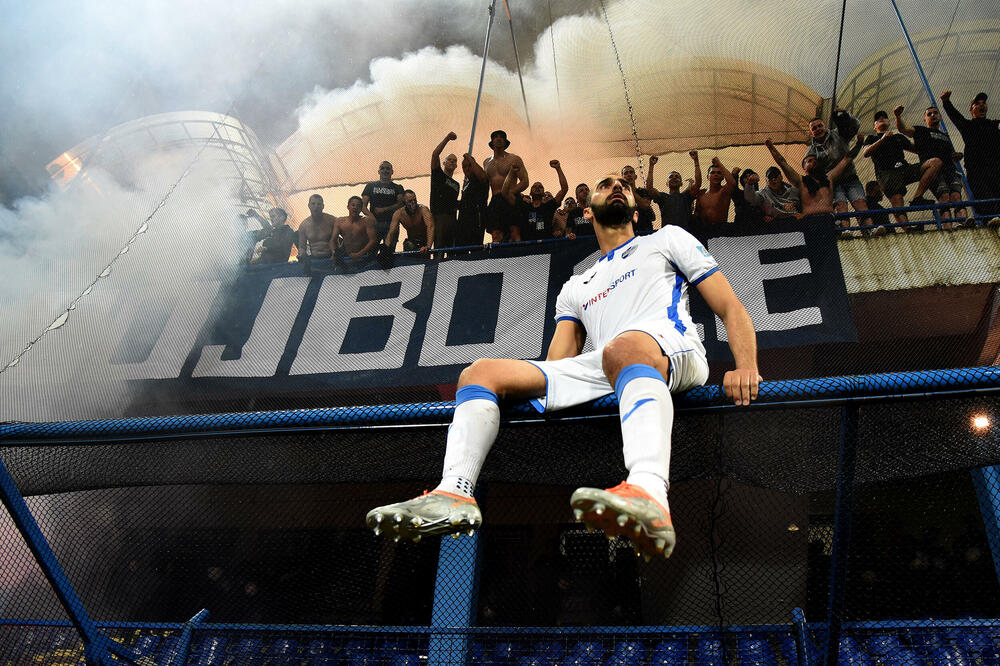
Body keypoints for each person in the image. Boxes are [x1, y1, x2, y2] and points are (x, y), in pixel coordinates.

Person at [366, 172, 761, 560]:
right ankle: (454, 491)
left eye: (623, 185)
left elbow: (730, 306)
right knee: (478, 372)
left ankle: (650, 490)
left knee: (621, 350)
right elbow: (557, 365)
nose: (617, 187)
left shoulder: (667, 239)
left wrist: (746, 364)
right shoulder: (577, 285)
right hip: (610, 363)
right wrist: (533, 389)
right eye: (606, 185)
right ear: (588, 212)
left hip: (673, 347)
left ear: (637, 214)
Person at [862, 110, 942, 230]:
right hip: (887, 173)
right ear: (875, 126)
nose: (882, 119)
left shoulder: (898, 137)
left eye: (885, 118)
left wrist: (935, 145)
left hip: (905, 169)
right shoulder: (871, 138)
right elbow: (866, 152)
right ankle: (908, 228)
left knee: (935, 162)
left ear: (889, 122)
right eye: (878, 119)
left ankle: (917, 198)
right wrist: (882, 139)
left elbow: (917, 149)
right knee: (897, 199)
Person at [894, 104, 966, 229]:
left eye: (935, 113)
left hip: (950, 170)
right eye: (929, 114)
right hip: (935, 171)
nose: (933, 115)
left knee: (956, 196)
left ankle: (964, 223)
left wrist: (955, 156)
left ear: (940, 116)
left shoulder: (946, 136)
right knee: (944, 198)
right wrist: (897, 116)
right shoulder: (921, 131)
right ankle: (949, 229)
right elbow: (903, 129)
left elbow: (948, 155)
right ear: (925, 119)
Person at [806, 110, 871, 235]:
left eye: (820, 126)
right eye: (814, 128)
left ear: (825, 126)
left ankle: (869, 230)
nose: (818, 129)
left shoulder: (838, 134)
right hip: (833, 184)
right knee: (840, 206)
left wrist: (845, 114)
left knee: (860, 203)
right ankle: (845, 231)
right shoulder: (811, 152)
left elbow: (855, 125)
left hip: (850, 178)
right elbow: (809, 170)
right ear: (811, 133)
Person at [765, 136, 864, 216]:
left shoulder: (829, 177)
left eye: (815, 160)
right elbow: (783, 163)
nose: (813, 162)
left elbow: (846, 159)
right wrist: (771, 147)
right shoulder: (800, 181)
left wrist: (859, 143)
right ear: (804, 167)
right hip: (810, 222)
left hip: (828, 220)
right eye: (809, 161)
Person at [939, 90, 1000, 222]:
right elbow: (955, 116)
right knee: (983, 198)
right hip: (977, 170)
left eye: (984, 103)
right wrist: (946, 102)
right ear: (971, 109)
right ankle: (988, 221)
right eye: (977, 103)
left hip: (996, 168)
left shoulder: (994, 124)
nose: (982, 105)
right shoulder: (968, 126)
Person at [484, 130, 529, 242]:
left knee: (514, 230)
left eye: (501, 137)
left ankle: (519, 255)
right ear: (492, 142)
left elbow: (524, 181)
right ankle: (497, 257)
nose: (498, 139)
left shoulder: (514, 159)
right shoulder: (486, 162)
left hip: (510, 197)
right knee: (496, 233)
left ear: (505, 142)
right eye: (496, 137)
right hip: (495, 199)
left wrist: (511, 193)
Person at [646, 152, 701, 229]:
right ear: (667, 183)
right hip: (668, 236)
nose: (674, 178)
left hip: (684, 235)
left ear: (681, 183)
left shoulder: (686, 196)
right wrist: (651, 166)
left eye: (677, 176)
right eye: (671, 177)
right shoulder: (663, 197)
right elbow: (649, 189)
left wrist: (696, 160)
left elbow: (698, 183)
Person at [361, 161, 405, 244]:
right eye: (382, 168)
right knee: (371, 252)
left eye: (388, 168)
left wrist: (384, 209)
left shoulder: (398, 187)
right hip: (374, 224)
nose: (385, 170)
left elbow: (401, 205)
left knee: (389, 253)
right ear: (378, 171)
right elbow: (362, 206)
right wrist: (372, 217)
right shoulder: (370, 186)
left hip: (392, 224)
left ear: (392, 171)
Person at [431, 132, 462, 248]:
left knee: (450, 249)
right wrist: (447, 139)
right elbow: (435, 155)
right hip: (439, 216)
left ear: (456, 166)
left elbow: (454, 202)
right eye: (449, 159)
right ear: (444, 162)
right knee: (438, 247)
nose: (452, 161)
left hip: (452, 219)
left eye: (454, 160)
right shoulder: (438, 174)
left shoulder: (457, 185)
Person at [456, 153, 490, 247]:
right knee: (461, 251)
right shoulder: (467, 184)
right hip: (464, 223)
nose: (467, 168)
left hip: (476, 222)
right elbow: (465, 203)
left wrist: (470, 159)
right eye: (464, 166)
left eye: (470, 165)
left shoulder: (481, 179)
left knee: (475, 250)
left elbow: (483, 177)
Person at [297, 194, 337, 274]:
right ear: (309, 205)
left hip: (332, 258)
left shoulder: (332, 220)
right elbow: (302, 246)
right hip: (315, 260)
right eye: (313, 203)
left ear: (323, 206)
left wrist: (338, 252)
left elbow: (345, 237)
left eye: (319, 204)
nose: (316, 206)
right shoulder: (304, 225)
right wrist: (302, 254)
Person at [332, 196, 377, 263]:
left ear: (361, 208)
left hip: (363, 256)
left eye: (358, 206)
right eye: (353, 205)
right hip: (346, 255)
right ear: (348, 207)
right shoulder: (340, 221)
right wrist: (335, 252)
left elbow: (373, 240)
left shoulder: (367, 221)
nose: (355, 207)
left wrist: (359, 254)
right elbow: (333, 239)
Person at [694, 157, 737, 226]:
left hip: (720, 229)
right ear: (708, 177)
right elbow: (697, 212)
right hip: (703, 229)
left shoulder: (724, 191)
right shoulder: (701, 193)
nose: (716, 175)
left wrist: (719, 163)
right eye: (712, 172)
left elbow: (732, 183)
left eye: (719, 173)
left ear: (723, 177)